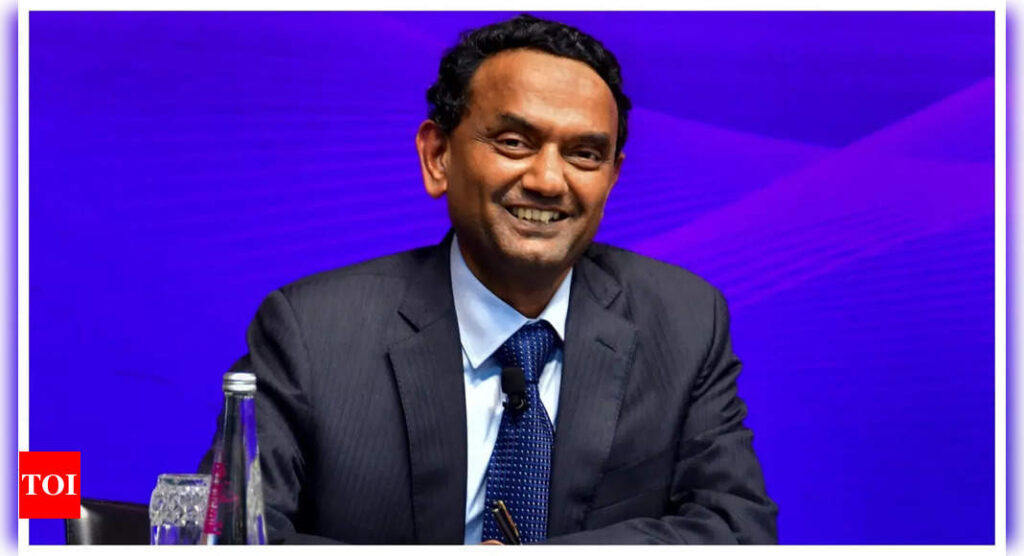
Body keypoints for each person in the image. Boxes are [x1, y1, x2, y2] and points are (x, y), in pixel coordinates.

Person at [202, 13, 777, 544]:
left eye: (584, 154)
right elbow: (234, 539)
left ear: (611, 178)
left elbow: (736, 529)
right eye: (514, 143)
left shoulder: (683, 320)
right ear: (438, 157)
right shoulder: (311, 332)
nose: (548, 180)